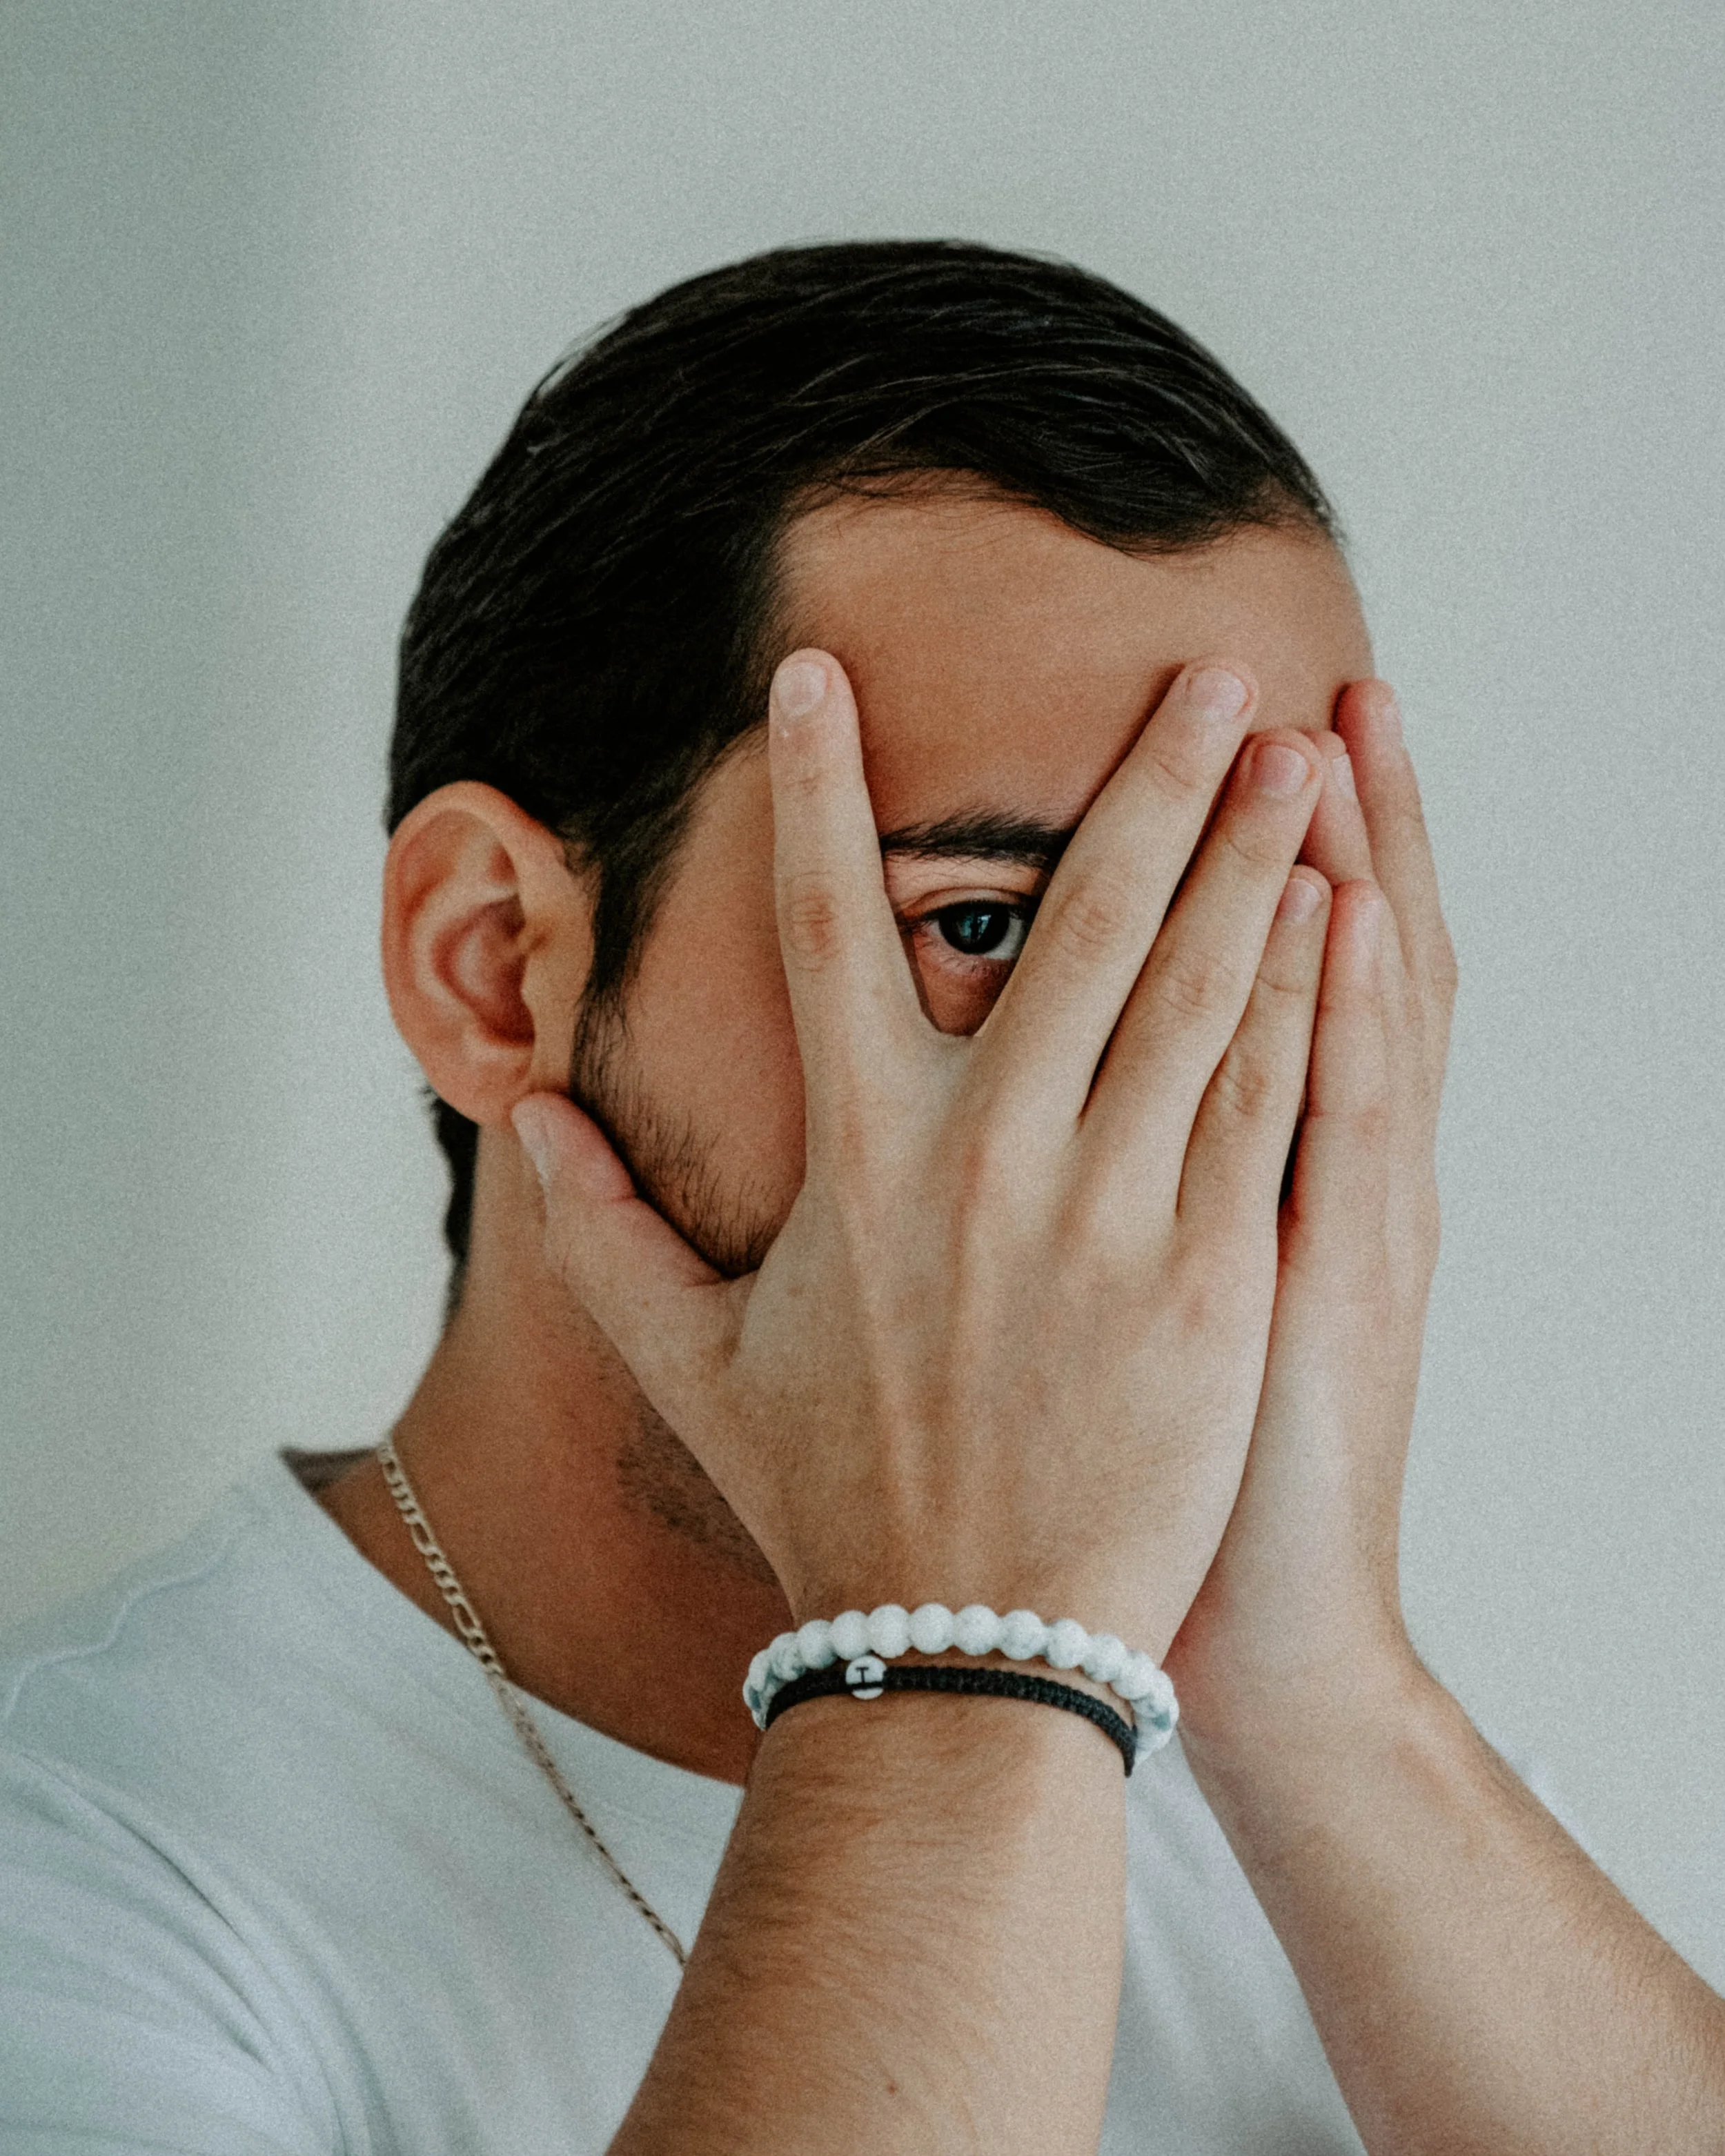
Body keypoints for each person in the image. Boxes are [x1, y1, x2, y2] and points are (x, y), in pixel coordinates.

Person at [1, 239, 1719, 2156]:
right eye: (983, 925)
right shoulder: (75, 1880)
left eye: (1254, 936)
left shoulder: (1329, 1815)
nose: (1157, 1093)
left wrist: (1317, 1686)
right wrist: (953, 1646)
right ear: (493, 963)